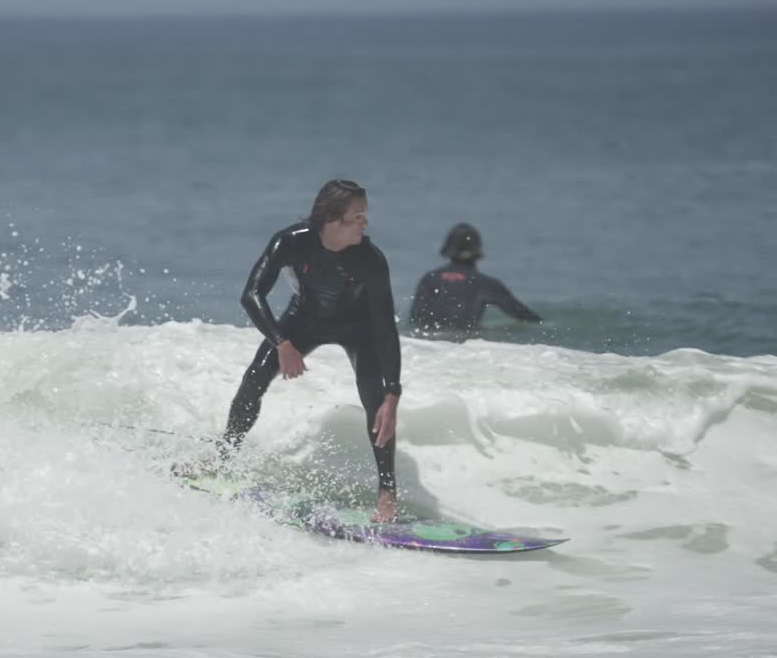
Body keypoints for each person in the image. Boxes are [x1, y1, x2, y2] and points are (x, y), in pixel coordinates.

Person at [216, 179, 403, 523]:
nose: (365, 223)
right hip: (305, 319)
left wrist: (393, 392)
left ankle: (387, 494)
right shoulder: (291, 242)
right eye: (357, 216)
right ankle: (222, 459)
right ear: (333, 220)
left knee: (376, 403)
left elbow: (385, 328)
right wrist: (282, 343)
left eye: (365, 215)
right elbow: (252, 295)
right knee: (254, 379)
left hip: (358, 327)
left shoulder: (370, 260)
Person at [408, 223, 542, 330]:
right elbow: (526, 317)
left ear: (447, 249)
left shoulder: (429, 279)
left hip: (429, 346)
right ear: (477, 251)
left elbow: (414, 319)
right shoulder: (487, 284)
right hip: (466, 346)